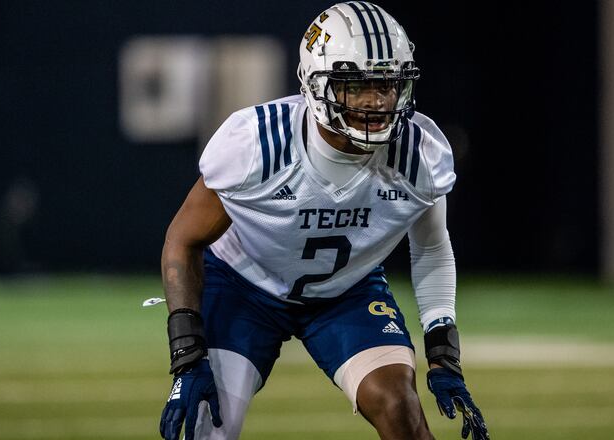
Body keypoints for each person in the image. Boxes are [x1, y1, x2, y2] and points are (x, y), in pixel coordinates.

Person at [158, 2, 490, 439]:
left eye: (387, 84)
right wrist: (186, 350)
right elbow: (183, 238)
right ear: (316, 84)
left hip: (346, 290)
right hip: (243, 284)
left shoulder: (420, 153)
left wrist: (443, 352)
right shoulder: (257, 143)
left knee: (401, 410)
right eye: (356, 85)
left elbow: (431, 247)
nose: (376, 101)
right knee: (208, 424)